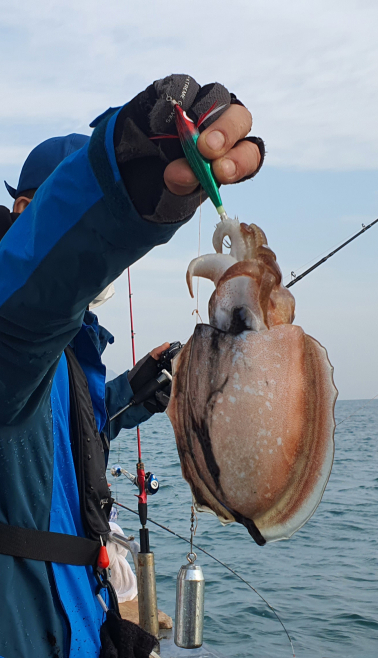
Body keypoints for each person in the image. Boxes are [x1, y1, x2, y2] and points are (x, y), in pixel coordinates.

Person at [0, 74, 264, 658]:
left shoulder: (73, 343)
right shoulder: (21, 324)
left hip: (77, 613)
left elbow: (55, 443)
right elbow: (25, 311)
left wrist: (134, 392)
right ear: (25, 209)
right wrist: (123, 181)